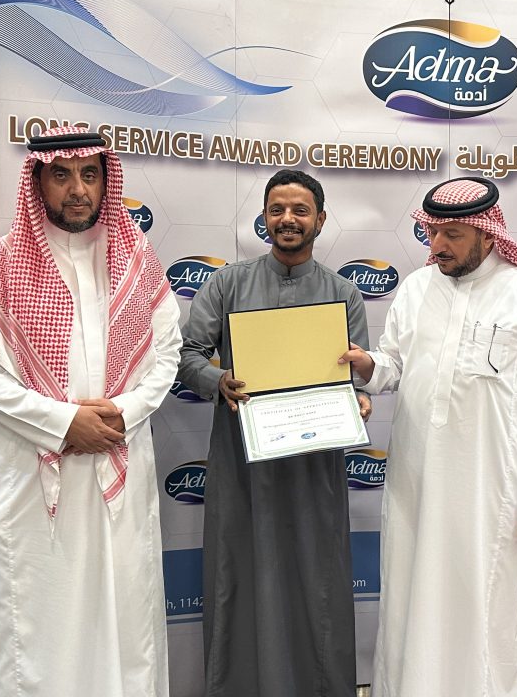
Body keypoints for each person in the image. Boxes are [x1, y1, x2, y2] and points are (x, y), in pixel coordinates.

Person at [0, 127, 181, 696]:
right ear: (38, 182)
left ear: (106, 181)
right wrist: (62, 424)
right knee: (35, 634)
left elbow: (166, 353)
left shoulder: (136, 260)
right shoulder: (0, 267)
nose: (78, 189)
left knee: (123, 627)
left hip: (116, 470)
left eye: (90, 175)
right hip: (30, 488)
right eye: (62, 175)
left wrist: (123, 413)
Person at [339, 176, 517, 697]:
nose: (438, 245)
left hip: (493, 488)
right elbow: (394, 365)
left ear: (488, 234)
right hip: (416, 481)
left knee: (484, 606)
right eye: (432, 233)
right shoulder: (416, 288)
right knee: (410, 597)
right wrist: (368, 365)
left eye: (453, 234)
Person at [177, 168, 369, 697]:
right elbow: (188, 357)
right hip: (243, 462)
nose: (288, 219)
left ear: (320, 220)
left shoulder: (344, 293)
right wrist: (218, 380)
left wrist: (357, 399)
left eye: (300, 210)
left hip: (314, 467)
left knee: (316, 575)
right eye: (277, 210)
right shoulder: (227, 284)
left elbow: (352, 378)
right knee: (238, 572)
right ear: (264, 218)